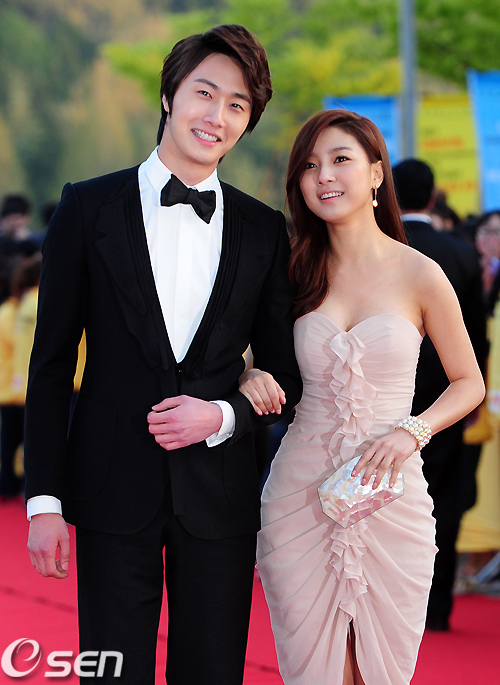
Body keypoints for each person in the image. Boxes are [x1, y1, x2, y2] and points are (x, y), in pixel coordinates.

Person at [24, 25, 302, 685]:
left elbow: (286, 373)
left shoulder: (264, 229)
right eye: (205, 93)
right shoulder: (87, 206)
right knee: (111, 672)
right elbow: (51, 364)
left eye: (237, 104)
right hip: (109, 487)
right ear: (169, 95)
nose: (217, 115)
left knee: (212, 671)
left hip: (220, 495)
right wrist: (44, 502)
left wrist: (224, 414)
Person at [239, 110, 484, 685]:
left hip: (390, 495)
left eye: (340, 159)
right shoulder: (290, 271)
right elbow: (250, 360)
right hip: (299, 498)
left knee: (381, 670)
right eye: (309, 166)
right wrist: (247, 378)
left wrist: (411, 433)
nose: (324, 175)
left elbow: (469, 381)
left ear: (376, 173)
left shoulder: (421, 272)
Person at [392, 159, 487, 631]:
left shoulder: (383, 247)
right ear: (433, 198)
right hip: (447, 400)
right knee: (442, 498)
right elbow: (478, 338)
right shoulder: (462, 253)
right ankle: (436, 606)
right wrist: (472, 401)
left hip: (388, 395)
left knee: (382, 498)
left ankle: (389, 601)